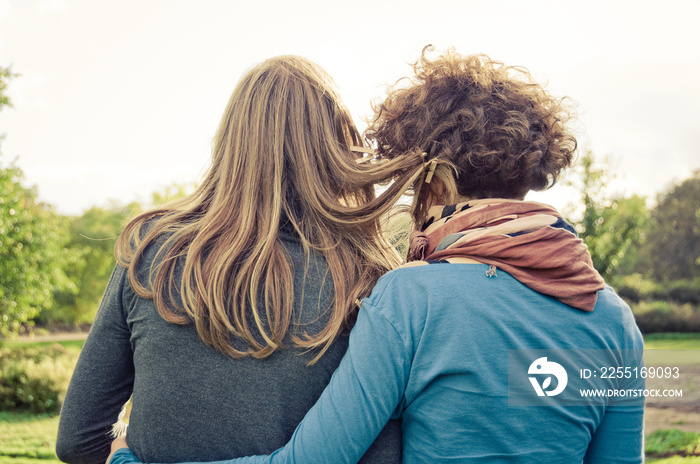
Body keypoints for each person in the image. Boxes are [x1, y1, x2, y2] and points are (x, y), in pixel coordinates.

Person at [108, 48, 645, 464]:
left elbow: (312, 460)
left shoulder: (411, 296)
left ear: (437, 179)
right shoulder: (614, 320)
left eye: (413, 186)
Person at [56, 55, 436, 464]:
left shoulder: (152, 250)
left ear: (231, 141)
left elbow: (79, 439)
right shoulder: (369, 275)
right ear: (335, 143)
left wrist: (128, 450)